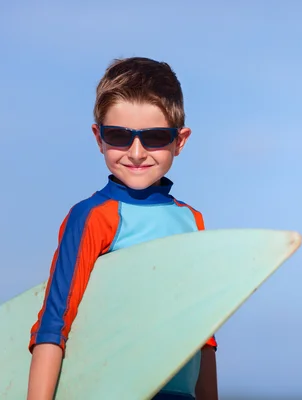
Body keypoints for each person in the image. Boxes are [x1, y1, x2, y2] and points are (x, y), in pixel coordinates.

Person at [26, 57, 218, 400]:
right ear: (99, 137)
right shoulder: (94, 216)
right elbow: (54, 324)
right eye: (119, 136)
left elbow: (204, 335)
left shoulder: (192, 221)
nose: (136, 152)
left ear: (180, 140)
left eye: (155, 137)